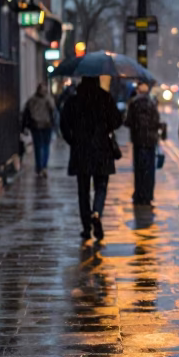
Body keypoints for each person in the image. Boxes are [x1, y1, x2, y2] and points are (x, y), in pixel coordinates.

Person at [59, 76, 122, 241]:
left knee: (83, 190)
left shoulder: (74, 100)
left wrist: (72, 140)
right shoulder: (105, 98)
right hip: (102, 150)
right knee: (101, 186)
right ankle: (96, 212)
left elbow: (64, 124)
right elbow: (117, 121)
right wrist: (105, 125)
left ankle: (86, 227)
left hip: (81, 151)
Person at [125, 82, 161, 205]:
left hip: (138, 141)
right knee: (150, 169)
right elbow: (156, 121)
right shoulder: (152, 103)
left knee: (139, 169)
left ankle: (139, 194)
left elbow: (128, 121)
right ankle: (148, 195)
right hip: (150, 141)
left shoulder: (134, 103)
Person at [23, 83, 58, 177]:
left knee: (38, 147)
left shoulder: (32, 100)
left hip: (36, 126)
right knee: (46, 146)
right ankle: (44, 166)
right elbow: (53, 111)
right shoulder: (48, 99)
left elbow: (26, 112)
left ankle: (39, 167)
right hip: (47, 125)